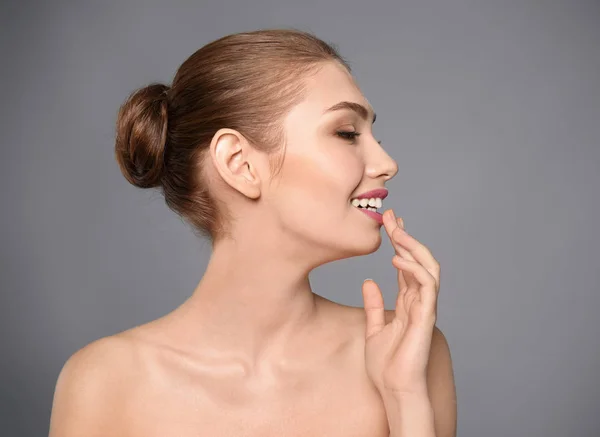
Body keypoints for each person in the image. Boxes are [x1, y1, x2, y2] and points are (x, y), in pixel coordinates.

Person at [48, 28, 457, 437]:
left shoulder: (409, 353)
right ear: (240, 163)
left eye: (373, 136)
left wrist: (404, 398)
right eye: (347, 133)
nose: (387, 163)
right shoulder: (105, 383)